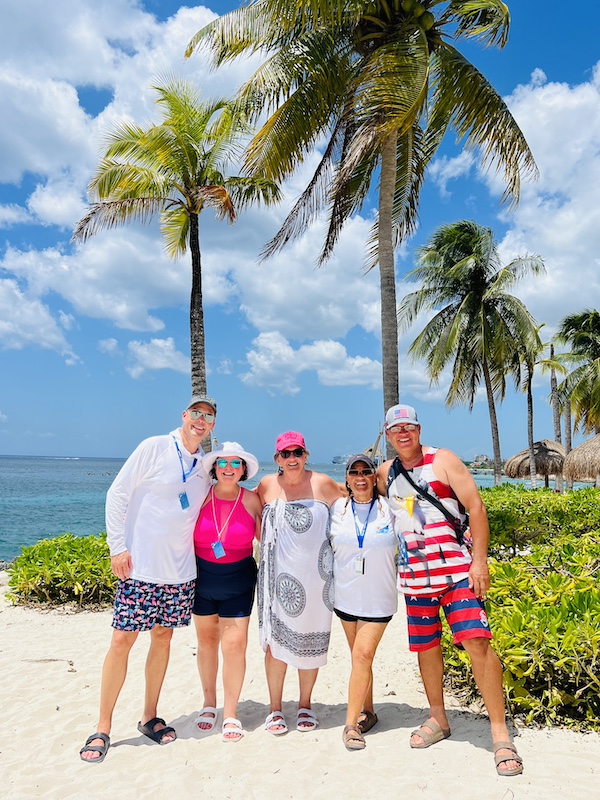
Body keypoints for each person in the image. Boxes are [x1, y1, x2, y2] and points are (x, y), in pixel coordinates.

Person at [377, 404, 523, 777]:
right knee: (427, 649)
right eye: (396, 429)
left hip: (456, 572)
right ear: (388, 434)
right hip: (414, 579)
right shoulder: (385, 473)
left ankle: (499, 732)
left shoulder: (443, 460)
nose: (403, 434)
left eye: (409, 427)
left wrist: (479, 561)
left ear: (419, 430)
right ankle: (438, 719)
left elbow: (475, 507)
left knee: (477, 643)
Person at [79, 395, 217, 763]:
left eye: (209, 417)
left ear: (213, 425)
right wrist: (116, 547)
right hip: (139, 568)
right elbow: (117, 493)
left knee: (162, 638)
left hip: (180, 572)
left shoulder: (204, 466)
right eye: (196, 414)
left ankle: (149, 716)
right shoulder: (155, 446)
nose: (201, 422)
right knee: (122, 640)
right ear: (184, 416)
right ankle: (103, 727)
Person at [256, 432, 342, 734]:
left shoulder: (324, 484)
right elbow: (253, 519)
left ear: (306, 455)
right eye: (285, 454)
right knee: (275, 646)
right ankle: (275, 708)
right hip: (276, 579)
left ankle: (305, 705)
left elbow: (357, 504)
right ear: (277, 458)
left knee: (311, 642)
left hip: (317, 580)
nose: (291, 459)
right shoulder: (266, 485)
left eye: (297, 453)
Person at [192, 442, 263, 742]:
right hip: (201, 578)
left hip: (239, 580)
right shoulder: (198, 496)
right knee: (206, 641)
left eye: (236, 464)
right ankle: (210, 703)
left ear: (244, 470)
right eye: (223, 463)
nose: (229, 469)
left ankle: (231, 712)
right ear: (214, 468)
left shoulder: (251, 501)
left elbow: (273, 538)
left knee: (234, 646)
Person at [330, 455, 397, 751]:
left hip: (379, 600)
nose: (360, 476)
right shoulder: (336, 510)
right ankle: (368, 711)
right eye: (354, 472)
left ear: (374, 477)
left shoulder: (391, 509)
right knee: (360, 659)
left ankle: (350, 726)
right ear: (346, 478)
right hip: (345, 598)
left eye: (366, 471)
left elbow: (421, 520)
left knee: (362, 657)